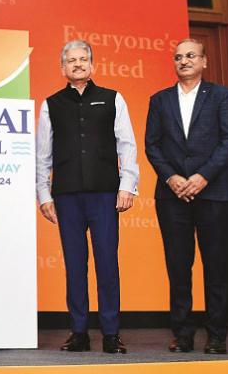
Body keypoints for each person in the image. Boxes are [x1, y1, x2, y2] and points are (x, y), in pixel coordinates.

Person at [36, 40, 139, 354]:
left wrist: (127, 186)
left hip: (105, 193)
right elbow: (43, 155)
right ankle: (78, 331)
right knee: (75, 265)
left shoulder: (113, 99)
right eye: (71, 60)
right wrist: (43, 194)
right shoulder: (50, 104)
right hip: (66, 196)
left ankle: (111, 333)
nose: (78, 64)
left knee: (108, 262)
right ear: (62, 67)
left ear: (92, 64)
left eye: (83, 59)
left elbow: (127, 145)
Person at [145, 38, 228, 355]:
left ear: (204, 61)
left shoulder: (222, 96)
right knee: (178, 266)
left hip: (214, 193)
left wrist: (202, 176)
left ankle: (216, 335)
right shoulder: (159, 100)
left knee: (216, 268)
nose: (184, 61)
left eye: (190, 55)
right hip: (172, 196)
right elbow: (152, 145)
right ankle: (182, 333)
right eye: (178, 57)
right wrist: (172, 178)